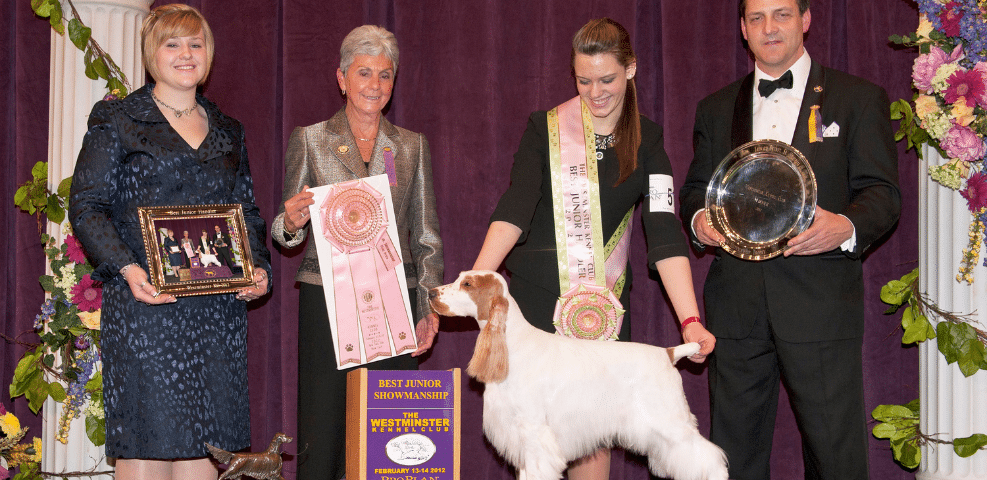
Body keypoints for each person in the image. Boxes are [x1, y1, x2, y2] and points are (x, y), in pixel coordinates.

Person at [472, 18, 715, 480]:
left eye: (607, 79)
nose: (595, 91)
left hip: (598, 306)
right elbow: (514, 209)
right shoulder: (544, 129)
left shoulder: (649, 140)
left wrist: (690, 320)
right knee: (533, 445)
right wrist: (476, 284)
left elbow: (664, 232)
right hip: (537, 307)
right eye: (584, 81)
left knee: (591, 446)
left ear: (632, 69)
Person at [678, 1, 901, 478]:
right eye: (756, 18)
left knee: (835, 455)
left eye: (781, 15)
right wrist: (699, 220)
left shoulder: (857, 97)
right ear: (742, 29)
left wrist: (846, 226)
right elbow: (696, 190)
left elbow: (883, 194)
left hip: (819, 301)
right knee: (733, 457)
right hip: (736, 305)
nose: (769, 28)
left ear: (806, 20)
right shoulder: (715, 108)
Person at [68, 5, 271, 480]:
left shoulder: (229, 129)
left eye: (196, 43)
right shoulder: (118, 118)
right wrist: (129, 270)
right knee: (147, 446)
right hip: (146, 308)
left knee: (205, 447)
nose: (186, 54)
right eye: (172, 43)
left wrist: (257, 268)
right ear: (151, 54)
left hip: (216, 313)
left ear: (209, 54)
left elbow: (247, 213)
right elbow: (87, 206)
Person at [271, 25, 443, 480]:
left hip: (396, 303)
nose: (375, 84)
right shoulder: (309, 139)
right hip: (325, 301)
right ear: (342, 78)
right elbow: (285, 230)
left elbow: (426, 237)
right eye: (364, 73)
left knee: (393, 439)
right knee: (322, 431)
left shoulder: (411, 146)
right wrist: (289, 223)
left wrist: (428, 306)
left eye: (385, 75)